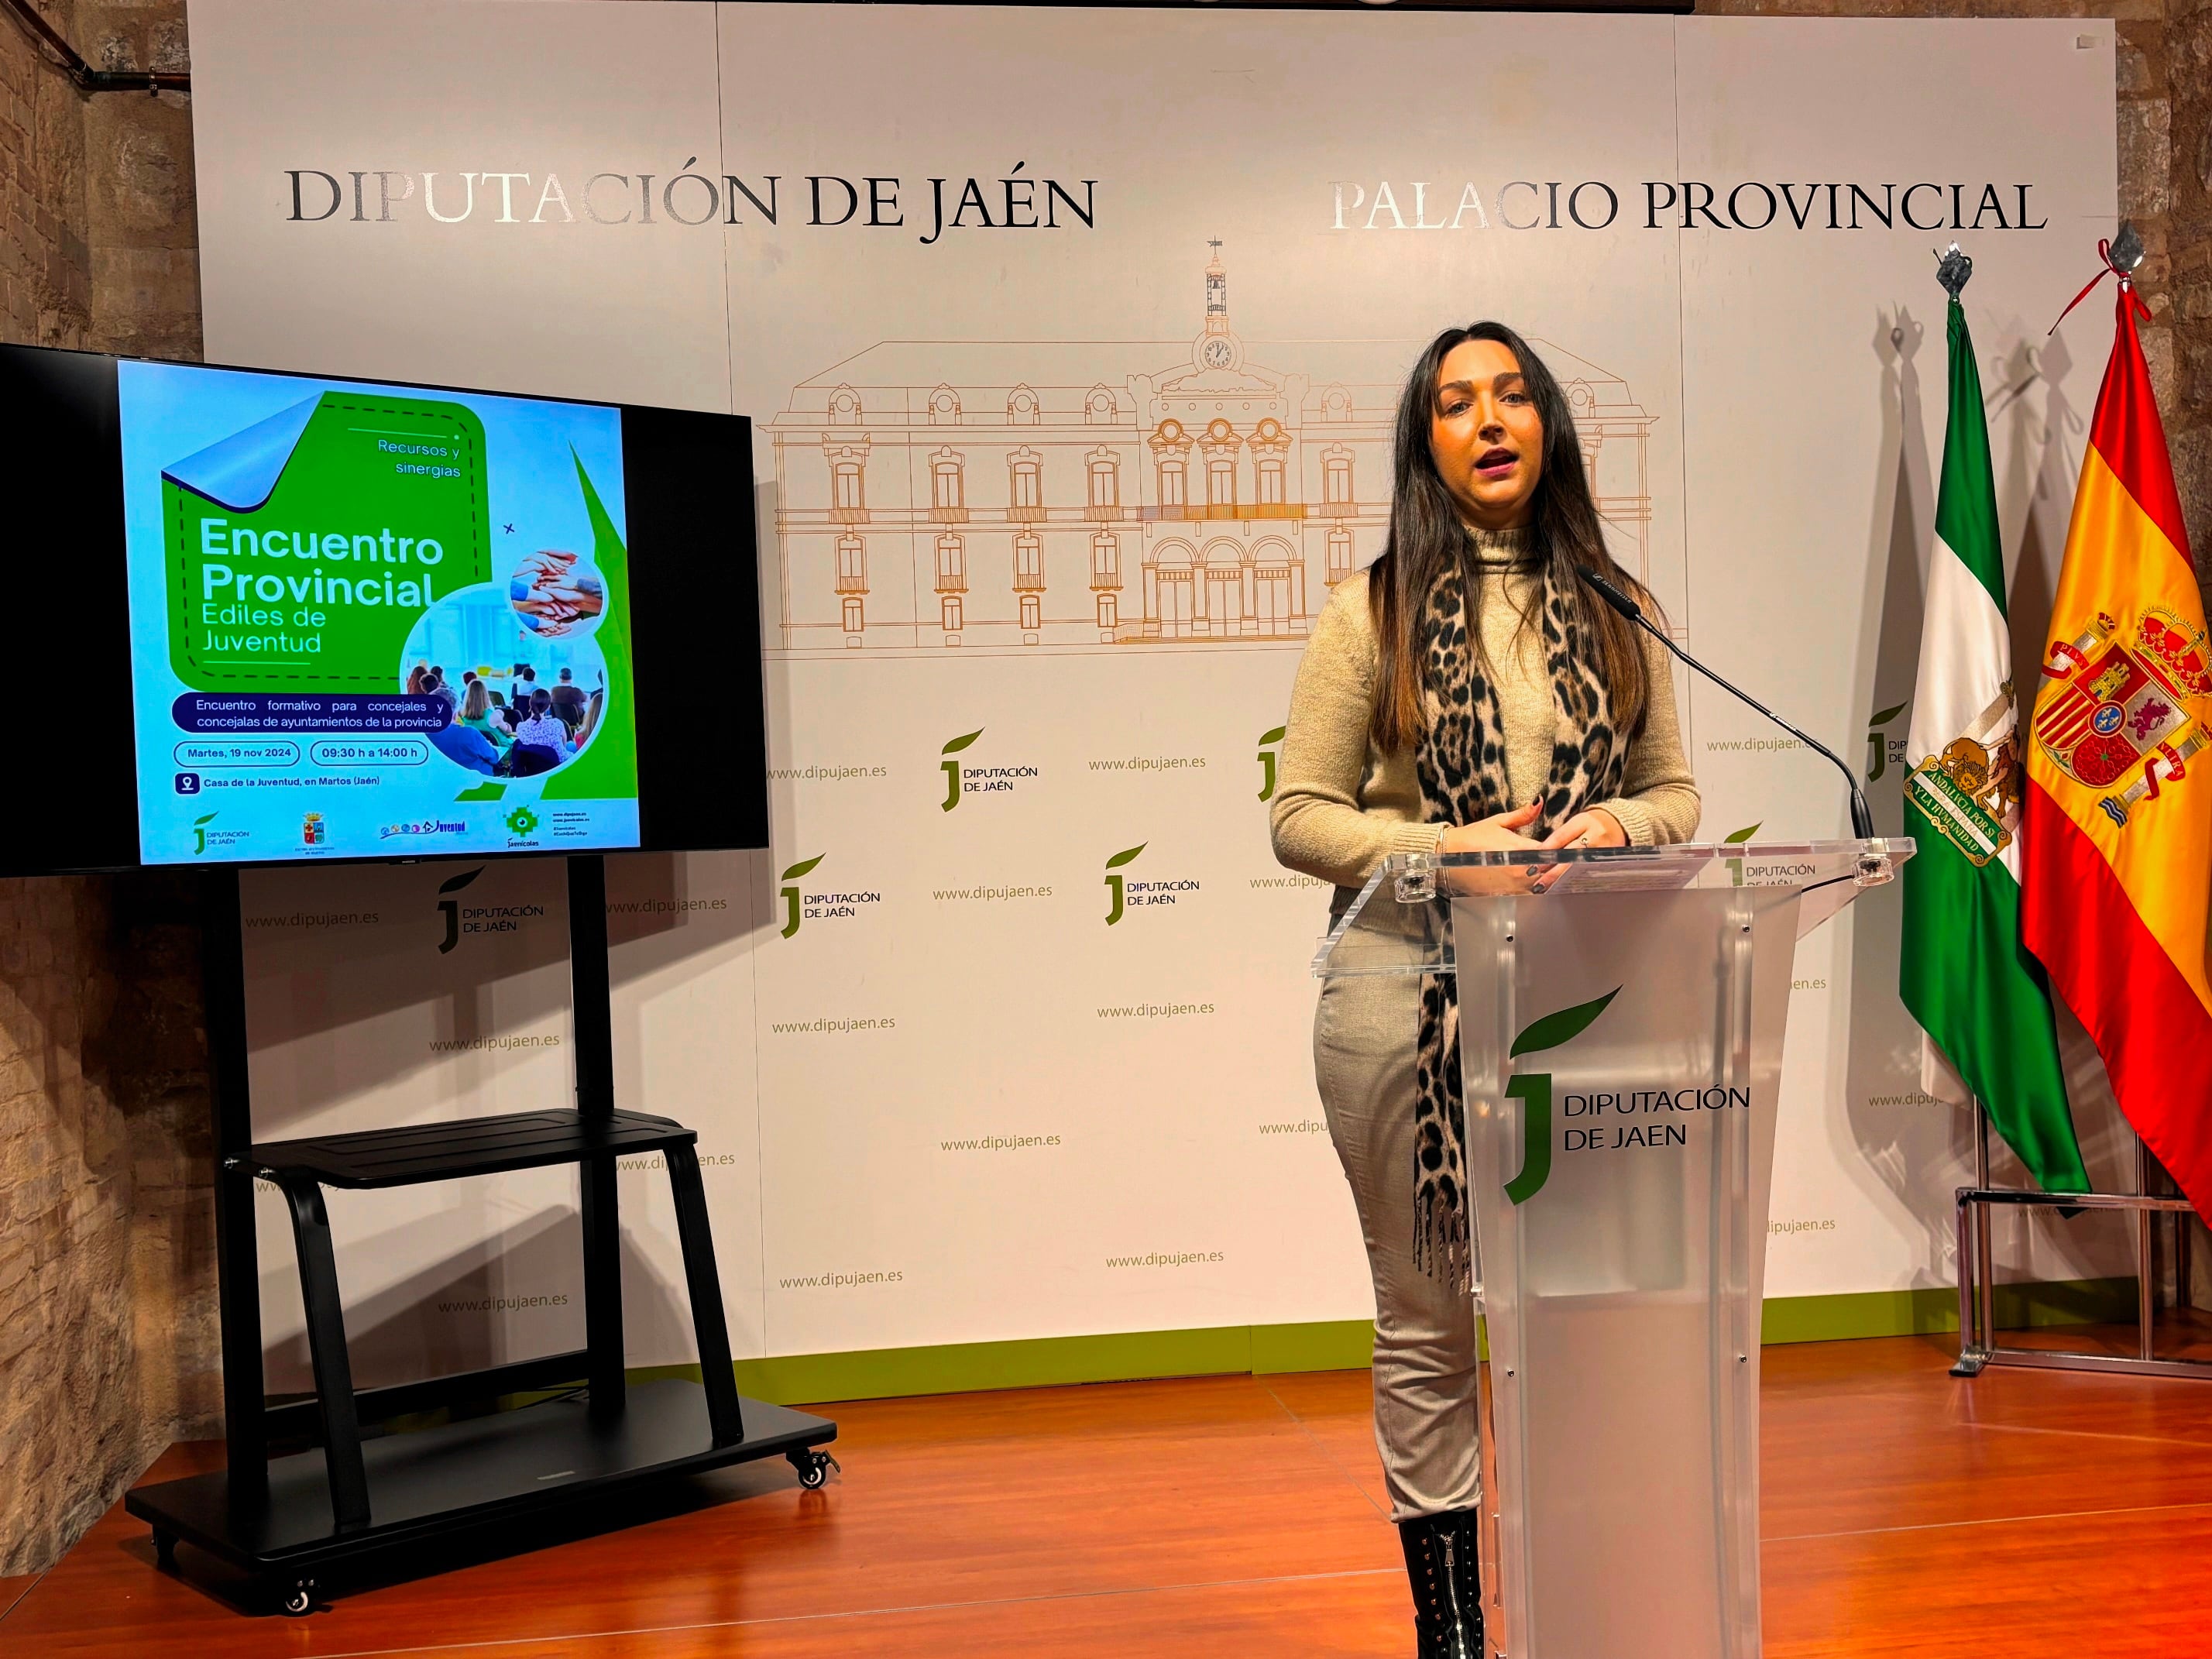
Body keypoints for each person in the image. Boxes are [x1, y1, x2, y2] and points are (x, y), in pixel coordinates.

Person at [1267, 321, 1698, 1659]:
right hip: (1404, 1009)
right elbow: (1297, 817)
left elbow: (1675, 794)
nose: (1491, 419)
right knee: (1431, 1326)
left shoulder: (1619, 607)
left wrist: (1615, 831)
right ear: (1428, 441)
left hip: (1588, 1008)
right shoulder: (1371, 609)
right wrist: (1449, 851)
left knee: (1574, 1325)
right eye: (1458, 403)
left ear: (1549, 424)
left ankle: (1577, 1601)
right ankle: (1449, 1632)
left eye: (1513, 394)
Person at [458, 678, 511, 751]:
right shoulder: (493, 716)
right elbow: (508, 732)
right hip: (502, 751)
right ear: (485, 695)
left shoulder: (462, 714)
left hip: (478, 750)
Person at [511, 689, 567, 755]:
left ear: (530, 703)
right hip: (558, 762)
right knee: (571, 745)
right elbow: (564, 745)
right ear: (548, 707)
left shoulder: (521, 727)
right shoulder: (557, 724)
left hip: (532, 764)